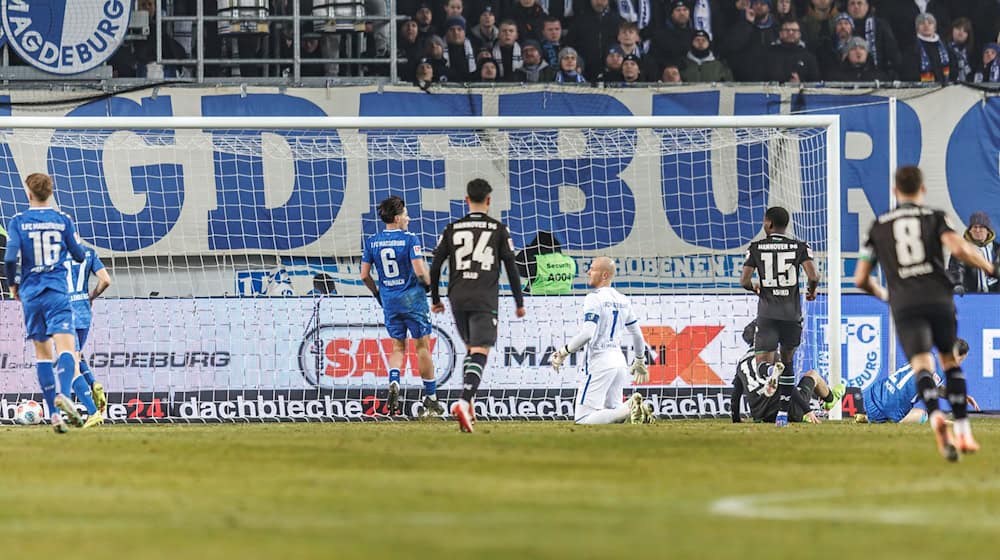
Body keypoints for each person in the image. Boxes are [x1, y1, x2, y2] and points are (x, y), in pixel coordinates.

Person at [854, 165, 998, 461]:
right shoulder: (935, 218)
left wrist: (885, 295)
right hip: (937, 297)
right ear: (922, 190)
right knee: (948, 362)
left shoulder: (879, 226)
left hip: (905, 302)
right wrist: (990, 268)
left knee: (922, 366)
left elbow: (860, 279)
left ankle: (935, 421)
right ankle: (962, 429)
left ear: (895, 191)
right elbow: (960, 248)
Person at [430, 179, 526, 432]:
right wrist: (519, 302)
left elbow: (435, 264)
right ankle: (463, 401)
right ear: (489, 200)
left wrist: (436, 299)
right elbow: (511, 267)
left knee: (472, 349)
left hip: (457, 296)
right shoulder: (498, 229)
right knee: (481, 350)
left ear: (466, 200)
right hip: (484, 296)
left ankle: (468, 404)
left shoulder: (452, 228)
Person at [3, 172, 88, 433]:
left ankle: (54, 415)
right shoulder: (62, 220)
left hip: (30, 293)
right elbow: (79, 255)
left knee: (42, 354)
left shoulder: (18, 221)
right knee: (66, 348)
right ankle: (64, 394)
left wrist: (12, 284)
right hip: (56, 292)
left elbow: (9, 259)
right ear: (50, 192)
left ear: (29, 193)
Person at [361, 196, 445, 417]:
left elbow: (363, 275)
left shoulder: (372, 241)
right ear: (397, 218)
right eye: (406, 214)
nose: (409, 218)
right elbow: (419, 270)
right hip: (413, 300)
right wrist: (429, 285)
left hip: (389, 300)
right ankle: (431, 398)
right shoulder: (410, 239)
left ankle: (394, 381)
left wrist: (378, 293)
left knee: (398, 347)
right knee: (422, 348)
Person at [740, 206, 819, 427]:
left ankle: (770, 371)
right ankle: (783, 414)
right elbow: (813, 274)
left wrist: (754, 287)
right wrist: (811, 290)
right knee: (788, 360)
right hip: (791, 315)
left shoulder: (756, 247)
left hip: (767, 314)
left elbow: (744, 281)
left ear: (769, 224)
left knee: (761, 364)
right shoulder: (799, 247)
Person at [550, 257, 653, 424]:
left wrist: (563, 352)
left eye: (592, 269)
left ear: (604, 274)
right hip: (619, 362)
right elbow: (638, 335)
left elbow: (587, 334)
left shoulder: (594, 298)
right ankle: (637, 408)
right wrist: (640, 360)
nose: (588, 272)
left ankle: (630, 406)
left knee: (583, 418)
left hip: (600, 361)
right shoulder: (623, 299)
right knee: (615, 415)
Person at [731, 320, 843, 424]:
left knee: (778, 381)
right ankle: (830, 400)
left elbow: (736, 394)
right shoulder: (771, 355)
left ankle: (800, 413)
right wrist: (807, 410)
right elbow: (787, 385)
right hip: (785, 410)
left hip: (760, 416)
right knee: (812, 374)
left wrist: (736, 418)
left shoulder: (742, 362)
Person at [856, 339, 979, 424]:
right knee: (922, 415)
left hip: (872, 395)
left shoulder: (927, 355)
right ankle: (879, 419)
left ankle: (869, 417)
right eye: (961, 360)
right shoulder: (940, 371)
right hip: (891, 408)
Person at [66, 233, 111, 428]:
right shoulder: (89, 253)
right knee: (76, 356)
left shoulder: (56, 256)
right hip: (84, 311)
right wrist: (91, 296)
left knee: (70, 364)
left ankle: (92, 412)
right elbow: (106, 280)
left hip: (64, 313)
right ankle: (93, 383)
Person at [948, 211, 1000, 294]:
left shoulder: (997, 250)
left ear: (988, 230)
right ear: (970, 230)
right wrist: (957, 284)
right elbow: (956, 269)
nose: (977, 230)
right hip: (970, 295)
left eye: (981, 227)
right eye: (974, 227)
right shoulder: (962, 249)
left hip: (995, 296)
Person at [901, 13, 956, 83]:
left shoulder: (945, 47)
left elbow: (953, 67)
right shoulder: (912, 48)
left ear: (935, 27)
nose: (926, 25)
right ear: (917, 28)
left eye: (930, 23)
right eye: (922, 23)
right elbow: (909, 73)